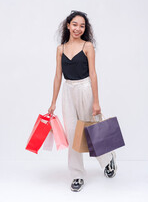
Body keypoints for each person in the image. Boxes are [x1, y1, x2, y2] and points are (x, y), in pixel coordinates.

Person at [48, 10, 117, 192]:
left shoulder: (87, 46)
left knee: (92, 130)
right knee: (72, 134)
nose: (78, 28)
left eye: (82, 26)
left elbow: (93, 74)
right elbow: (57, 77)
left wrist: (96, 102)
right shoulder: (60, 49)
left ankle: (107, 159)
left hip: (85, 88)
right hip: (68, 90)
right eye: (75, 24)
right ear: (68, 25)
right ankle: (77, 175)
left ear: (85, 29)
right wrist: (53, 102)